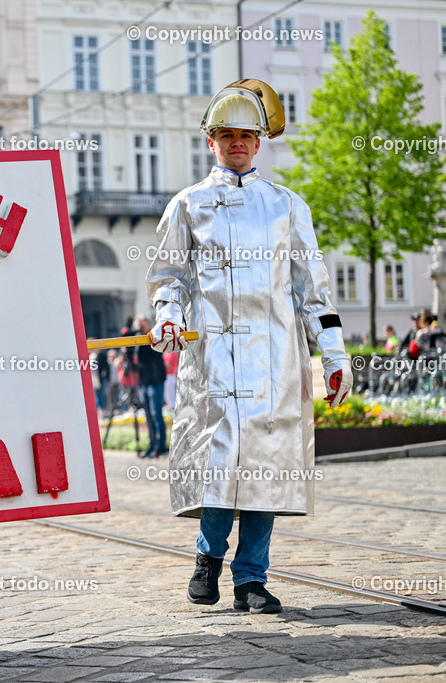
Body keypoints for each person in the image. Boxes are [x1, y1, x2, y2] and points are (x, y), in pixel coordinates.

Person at [146, 79, 351, 615]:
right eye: (226, 135)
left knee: (267, 467)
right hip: (212, 357)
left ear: (259, 142)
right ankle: (207, 559)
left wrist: (334, 355)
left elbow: (315, 291)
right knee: (219, 461)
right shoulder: (188, 204)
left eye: (245, 135)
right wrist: (167, 315)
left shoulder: (288, 206)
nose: (236, 143)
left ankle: (251, 579)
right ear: (210, 141)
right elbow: (168, 277)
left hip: (276, 359)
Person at [134, 315, 167, 458]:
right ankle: (152, 444)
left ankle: (161, 445)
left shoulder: (154, 335)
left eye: (143, 323)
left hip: (155, 380)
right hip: (144, 382)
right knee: (148, 415)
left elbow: (152, 353)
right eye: (139, 324)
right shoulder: (137, 340)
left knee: (156, 414)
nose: (141, 326)